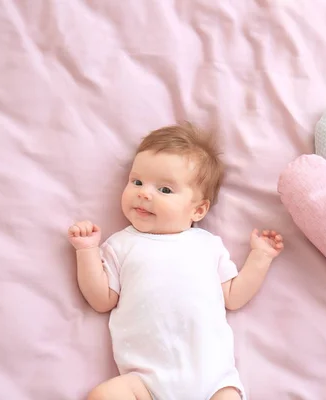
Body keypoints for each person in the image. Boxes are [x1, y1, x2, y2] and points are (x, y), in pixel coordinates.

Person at [67, 123, 284, 400]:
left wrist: (260, 257)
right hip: (145, 381)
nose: (144, 193)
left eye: (165, 190)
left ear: (198, 209)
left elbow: (233, 296)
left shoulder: (207, 245)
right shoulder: (121, 244)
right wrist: (86, 251)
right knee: (103, 395)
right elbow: (101, 300)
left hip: (213, 380)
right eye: (137, 182)